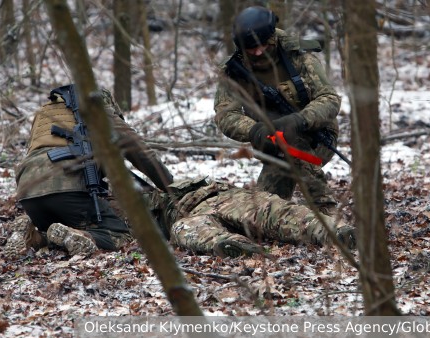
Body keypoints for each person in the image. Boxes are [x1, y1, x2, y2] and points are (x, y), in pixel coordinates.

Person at [4, 85, 174, 257]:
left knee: (58, 229)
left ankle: (33, 238)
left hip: (28, 192)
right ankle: (80, 235)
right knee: (121, 235)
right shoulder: (98, 109)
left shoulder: (44, 113)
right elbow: (140, 152)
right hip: (68, 189)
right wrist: (170, 186)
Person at [214, 6, 342, 215]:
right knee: (263, 209)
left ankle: (325, 207)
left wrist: (299, 120)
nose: (257, 52)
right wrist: (255, 130)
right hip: (272, 142)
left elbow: (329, 99)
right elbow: (225, 115)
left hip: (318, 137)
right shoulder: (233, 71)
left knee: (290, 141)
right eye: (250, 49)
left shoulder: (298, 55)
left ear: (271, 37)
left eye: (262, 46)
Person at [144, 177, 356, 258]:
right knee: (188, 229)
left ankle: (332, 231)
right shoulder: (129, 208)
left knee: (275, 212)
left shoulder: (160, 187)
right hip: (193, 215)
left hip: (222, 196)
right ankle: (233, 246)